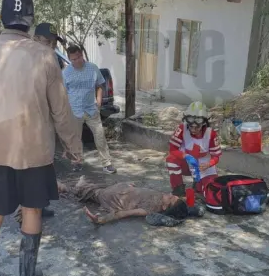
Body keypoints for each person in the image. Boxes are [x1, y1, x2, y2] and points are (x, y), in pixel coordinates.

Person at [0, 0, 83, 276]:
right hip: (33, 151)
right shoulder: (44, 54)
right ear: (30, 20)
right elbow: (60, 110)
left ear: (3, 17)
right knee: (32, 210)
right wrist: (74, 146)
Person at [61, 176, 204, 226]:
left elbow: (123, 214)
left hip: (110, 197)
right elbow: (182, 203)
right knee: (94, 188)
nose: (170, 194)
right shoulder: (163, 199)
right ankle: (82, 184)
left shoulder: (149, 209)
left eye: (171, 198)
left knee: (83, 192)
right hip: (123, 188)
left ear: (166, 206)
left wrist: (100, 220)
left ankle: (66, 187)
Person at [63, 44, 116, 174]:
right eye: (73, 59)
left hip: (91, 110)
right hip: (74, 111)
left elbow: (99, 85)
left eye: (78, 57)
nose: (76, 61)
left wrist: (98, 101)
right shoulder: (65, 72)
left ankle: (107, 163)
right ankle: (77, 162)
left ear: (81, 55)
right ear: (70, 59)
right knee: (75, 139)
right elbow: (63, 92)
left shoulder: (93, 68)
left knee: (100, 136)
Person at [165, 102, 222, 197]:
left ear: (204, 123)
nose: (193, 129)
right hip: (187, 162)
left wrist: (209, 164)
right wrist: (185, 156)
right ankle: (178, 188)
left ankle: (198, 184)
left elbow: (216, 157)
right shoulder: (182, 128)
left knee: (209, 190)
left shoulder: (211, 134)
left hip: (203, 165)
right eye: (191, 126)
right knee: (171, 160)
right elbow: (173, 149)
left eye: (197, 127)